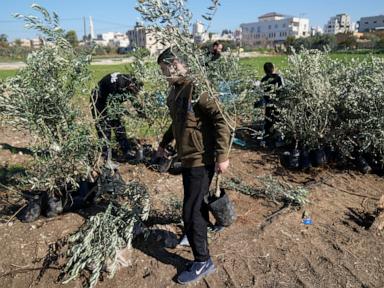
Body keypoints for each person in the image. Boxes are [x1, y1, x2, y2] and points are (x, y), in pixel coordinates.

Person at [156, 47, 231, 285]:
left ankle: (202, 261)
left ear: (176, 64)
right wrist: (165, 142)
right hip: (188, 158)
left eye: (165, 69)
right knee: (195, 205)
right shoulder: (176, 90)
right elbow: (177, 121)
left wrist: (222, 156)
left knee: (191, 210)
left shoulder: (197, 89)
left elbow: (222, 120)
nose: (164, 75)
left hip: (202, 158)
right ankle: (195, 235)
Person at [91, 73, 143, 160]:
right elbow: (114, 106)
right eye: (134, 91)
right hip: (98, 100)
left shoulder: (128, 82)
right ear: (130, 86)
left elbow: (133, 99)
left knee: (119, 126)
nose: (134, 94)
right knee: (105, 128)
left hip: (110, 100)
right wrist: (128, 114)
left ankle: (126, 150)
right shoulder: (118, 85)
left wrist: (143, 114)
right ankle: (106, 156)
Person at [260, 62, 284, 141]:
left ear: (265, 70)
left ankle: (266, 139)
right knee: (278, 120)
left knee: (268, 121)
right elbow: (283, 89)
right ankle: (279, 138)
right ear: (273, 68)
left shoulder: (263, 79)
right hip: (278, 103)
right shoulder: (278, 77)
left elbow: (262, 93)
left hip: (268, 104)